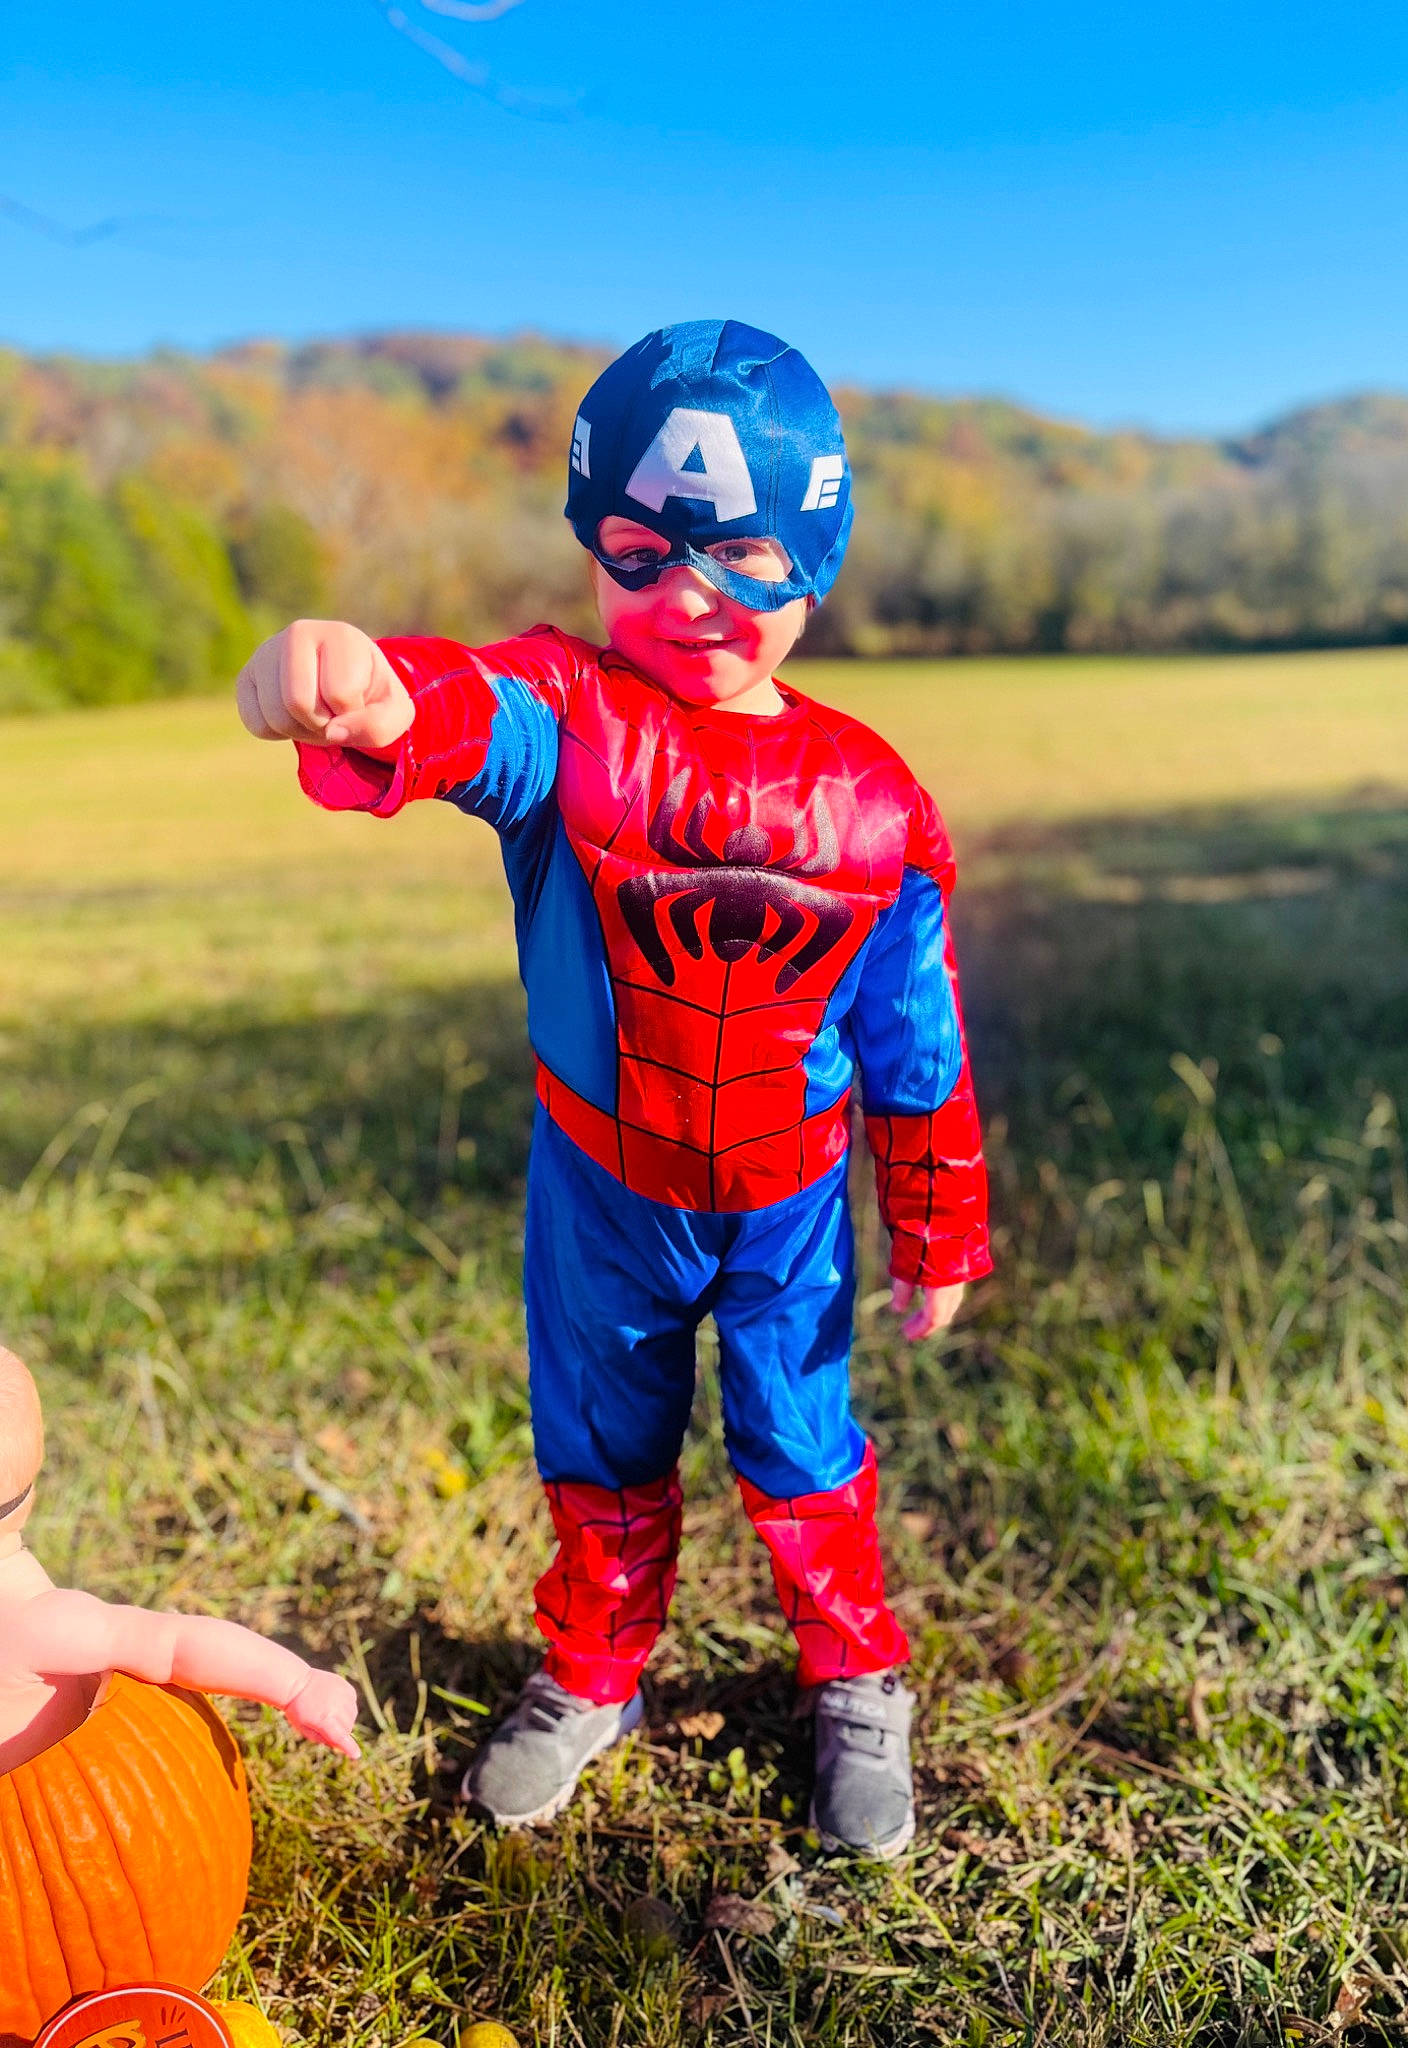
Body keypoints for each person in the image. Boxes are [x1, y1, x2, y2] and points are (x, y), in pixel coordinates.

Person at [234, 319, 990, 1857]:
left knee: (803, 1442)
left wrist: (939, 1223)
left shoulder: (878, 798)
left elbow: (919, 1037)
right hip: (605, 1190)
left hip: (788, 1205)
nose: (691, 599)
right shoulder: (568, 715)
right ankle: (593, 1670)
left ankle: (855, 1674)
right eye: (643, 554)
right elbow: (463, 711)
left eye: (745, 560)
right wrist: (365, 692)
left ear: (816, 562)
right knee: (601, 1446)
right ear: (592, 547)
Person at [0, 1346, 360, 1772]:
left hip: (38, 1822)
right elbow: (172, 1642)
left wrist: (297, 1684)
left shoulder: (35, 1624)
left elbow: (175, 1645)